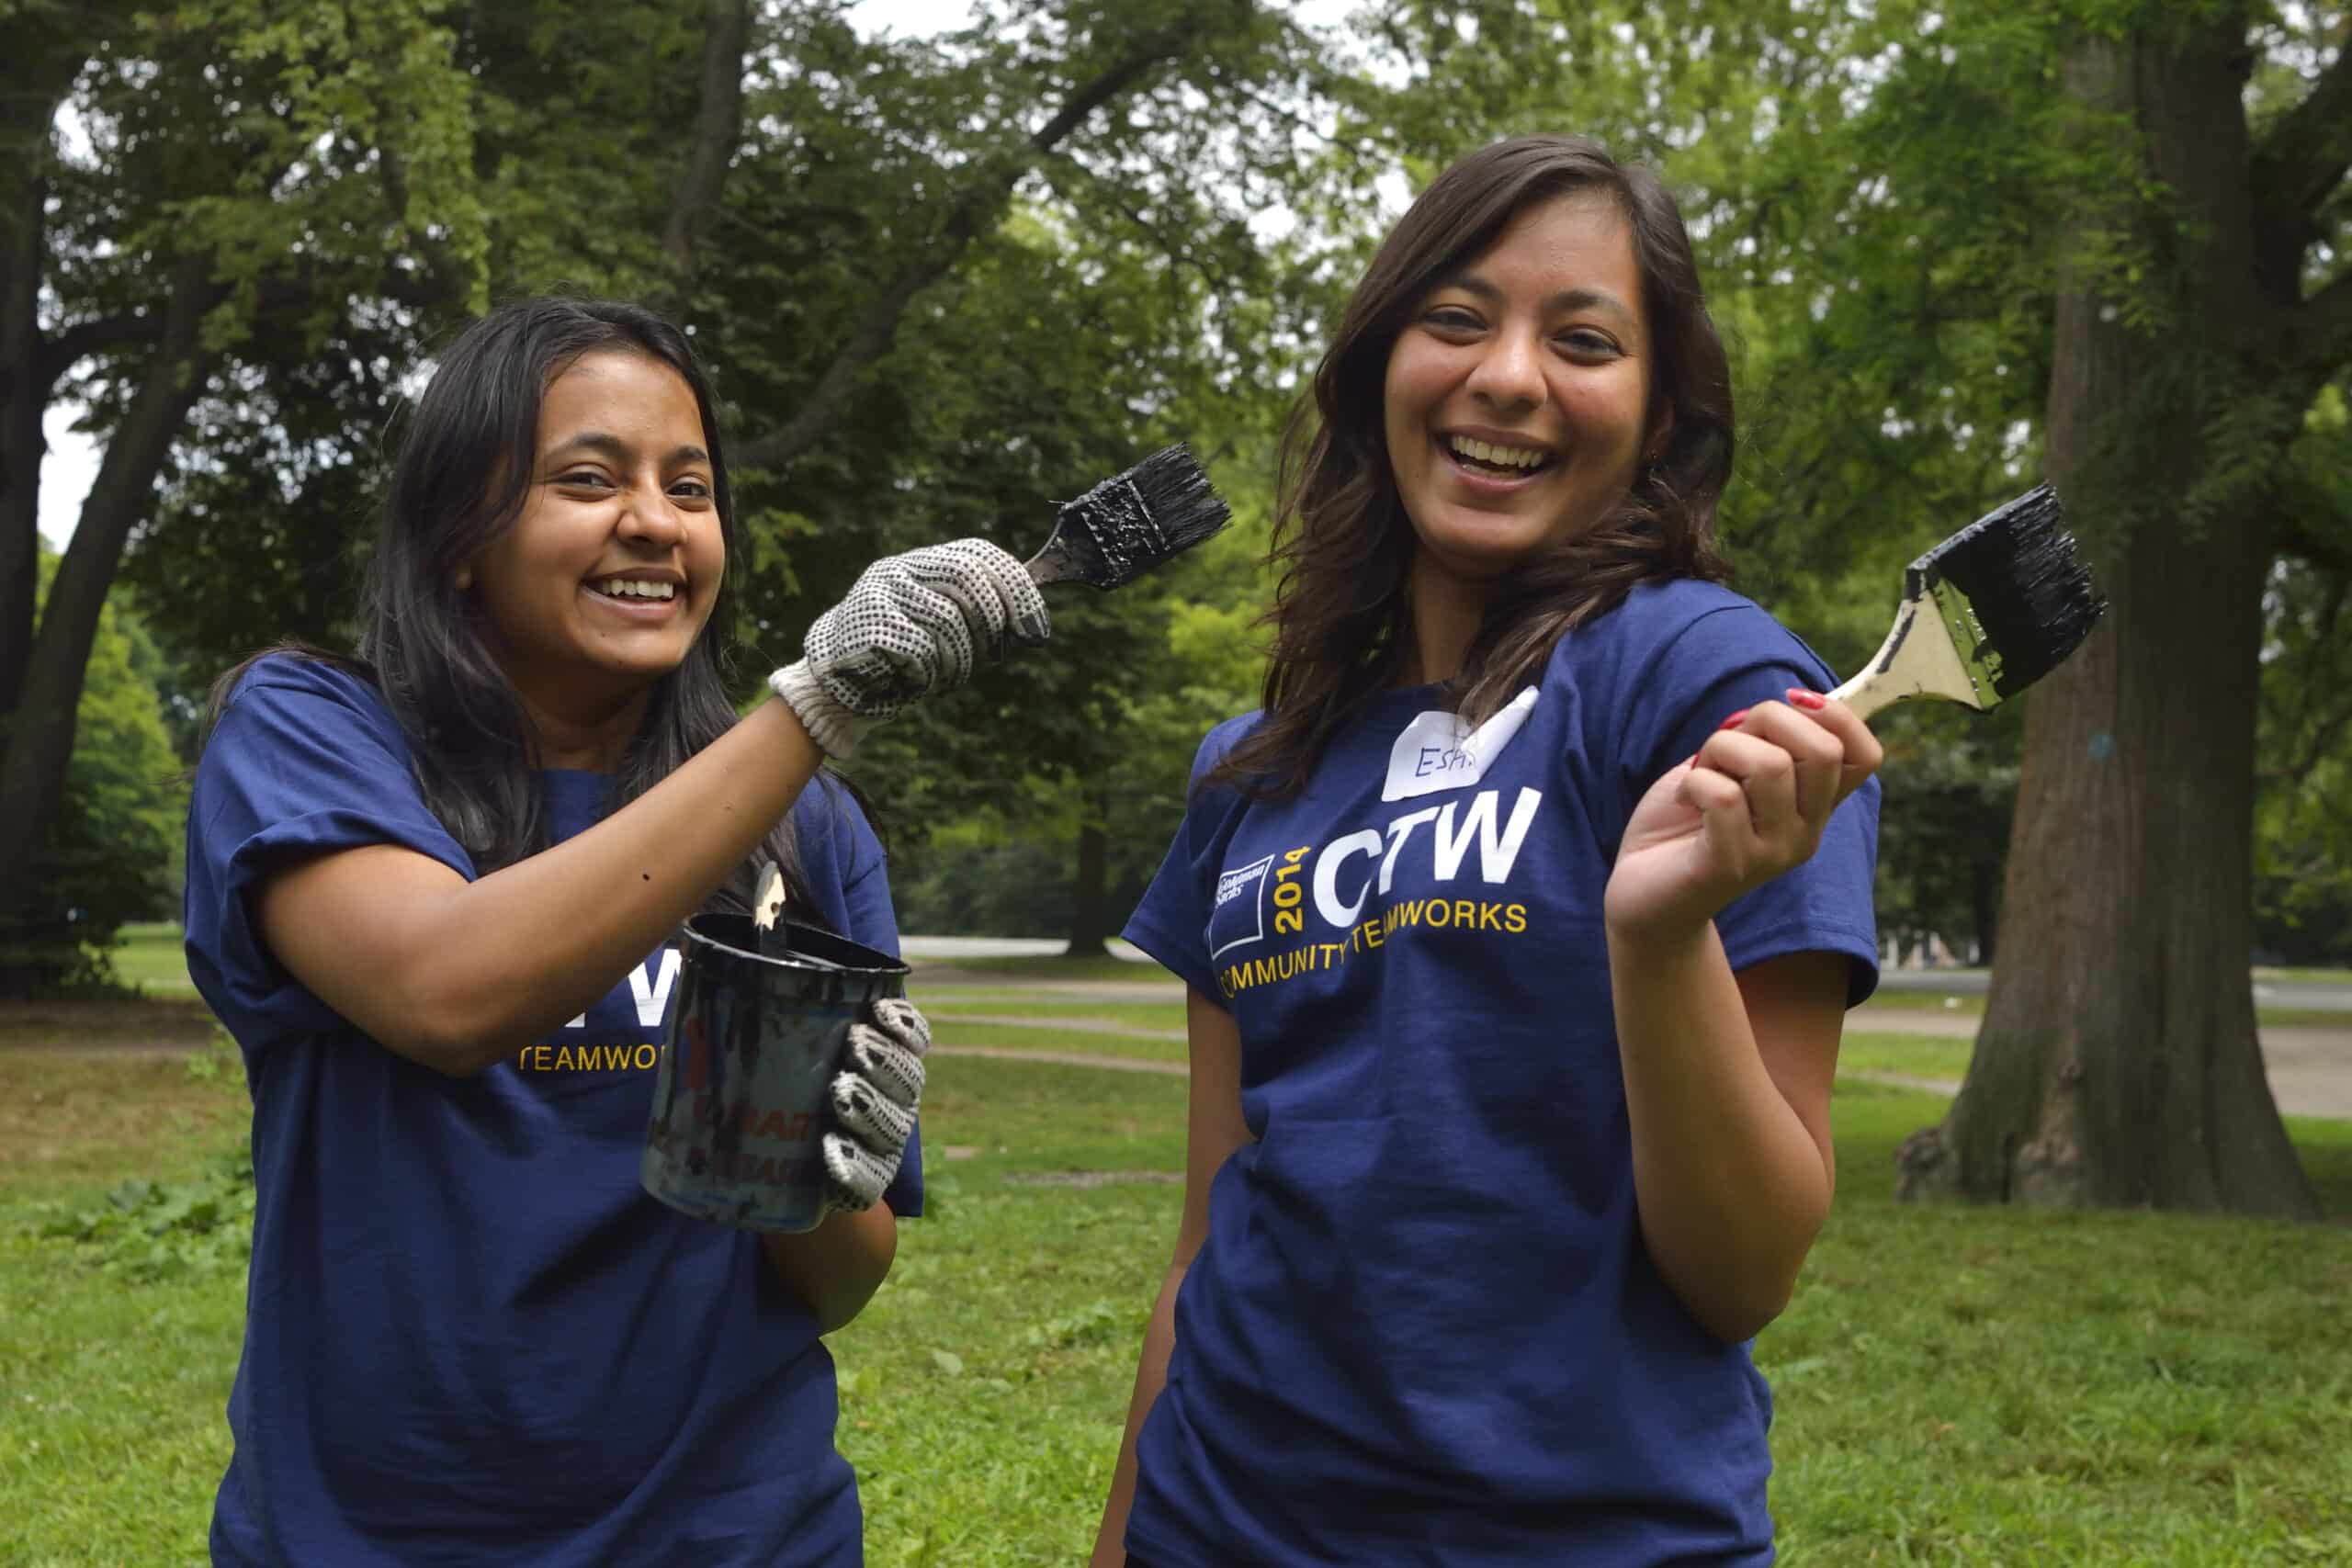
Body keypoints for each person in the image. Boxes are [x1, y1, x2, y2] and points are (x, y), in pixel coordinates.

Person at [1091, 135, 1886, 1567]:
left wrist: (1658, 939)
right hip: (1221, 1522)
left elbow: (1746, 1270)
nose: (1508, 377)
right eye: (1455, 320)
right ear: (1376, 372)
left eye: (1582, 340)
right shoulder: (1251, 762)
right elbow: (1212, 1232)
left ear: (1656, 420)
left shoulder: (1707, 688)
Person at [183, 295, 1047, 1565]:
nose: (653, 519)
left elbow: (842, 1282)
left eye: (690, 489)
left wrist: (814, 1157)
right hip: (373, 1537)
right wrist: (811, 709)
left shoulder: (805, 828)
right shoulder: (313, 733)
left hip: (740, 1534)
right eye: (588, 479)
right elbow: (443, 992)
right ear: (459, 535)